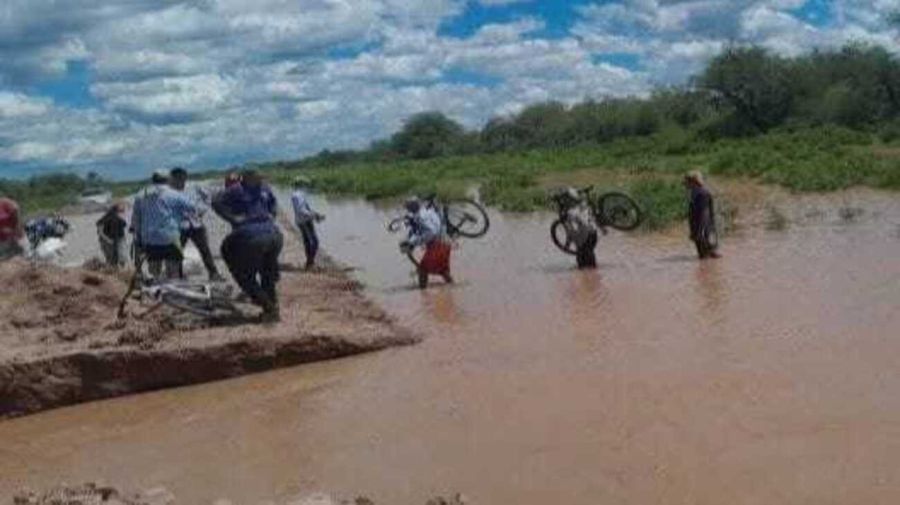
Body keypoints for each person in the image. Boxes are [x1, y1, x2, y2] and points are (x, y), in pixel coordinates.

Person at [212, 169, 283, 321]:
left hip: (251, 235)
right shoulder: (264, 188)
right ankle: (272, 306)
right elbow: (274, 204)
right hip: (274, 234)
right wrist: (270, 217)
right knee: (267, 273)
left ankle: (268, 306)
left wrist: (232, 218)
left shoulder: (236, 189)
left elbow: (215, 202)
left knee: (241, 272)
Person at [132, 170, 197, 279]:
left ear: (152, 180)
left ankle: (155, 291)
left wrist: (139, 238)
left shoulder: (140, 194)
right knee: (173, 271)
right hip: (170, 238)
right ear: (168, 180)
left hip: (149, 239)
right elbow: (192, 207)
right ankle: (173, 290)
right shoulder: (173, 194)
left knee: (154, 272)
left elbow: (136, 219)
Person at [169, 167, 223, 281]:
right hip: (180, 226)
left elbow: (208, 197)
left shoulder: (194, 186)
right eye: (175, 180)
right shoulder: (170, 192)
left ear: (184, 178)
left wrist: (203, 209)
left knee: (204, 249)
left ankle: (214, 274)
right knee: (177, 252)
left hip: (196, 224)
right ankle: (178, 276)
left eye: (180, 179)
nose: (177, 182)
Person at [400, 198, 453, 289]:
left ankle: (423, 294)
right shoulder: (429, 211)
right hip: (446, 243)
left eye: (408, 208)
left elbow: (431, 232)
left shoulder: (419, 217)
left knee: (423, 271)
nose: (407, 210)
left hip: (437, 245)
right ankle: (453, 287)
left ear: (411, 208)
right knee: (443, 271)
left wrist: (413, 242)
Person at [290, 176, 325, 269]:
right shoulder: (297, 195)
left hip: (304, 220)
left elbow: (304, 209)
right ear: (301, 184)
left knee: (309, 242)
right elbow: (301, 210)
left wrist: (314, 214)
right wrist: (315, 215)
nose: (307, 186)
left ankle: (310, 262)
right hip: (304, 221)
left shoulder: (299, 195)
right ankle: (310, 263)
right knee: (313, 242)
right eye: (305, 184)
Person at [684, 171, 720, 260]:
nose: (685, 185)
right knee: (707, 257)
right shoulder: (696, 192)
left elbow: (704, 213)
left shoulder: (702, 194)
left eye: (687, 182)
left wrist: (700, 231)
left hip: (702, 229)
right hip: (701, 228)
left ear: (693, 182)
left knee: (704, 258)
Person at [561, 188, 600, 269]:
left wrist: (567, 245)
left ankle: (586, 276)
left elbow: (571, 231)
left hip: (585, 237)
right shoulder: (584, 205)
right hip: (594, 234)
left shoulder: (570, 213)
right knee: (590, 255)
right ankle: (593, 274)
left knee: (581, 260)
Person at [96, 202, 128, 267]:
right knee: (114, 258)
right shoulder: (110, 217)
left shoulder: (112, 217)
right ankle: (117, 268)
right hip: (109, 239)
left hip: (115, 238)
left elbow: (99, 227)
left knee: (115, 258)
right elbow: (100, 228)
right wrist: (108, 240)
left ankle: (117, 267)